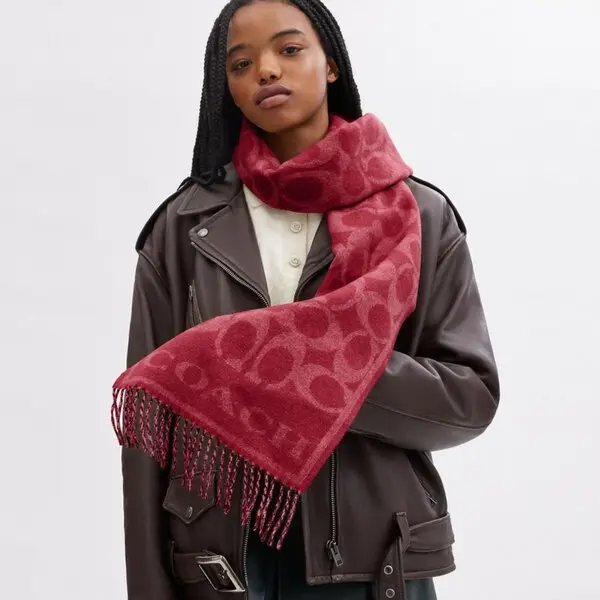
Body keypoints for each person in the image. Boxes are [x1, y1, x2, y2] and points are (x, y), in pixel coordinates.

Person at [115, 1, 500, 599]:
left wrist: (306, 365)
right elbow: (149, 429)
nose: (266, 70)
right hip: (223, 564)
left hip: (373, 562)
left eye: (290, 49)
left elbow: (469, 397)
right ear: (228, 88)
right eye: (241, 64)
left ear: (331, 65)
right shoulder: (182, 227)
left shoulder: (420, 216)